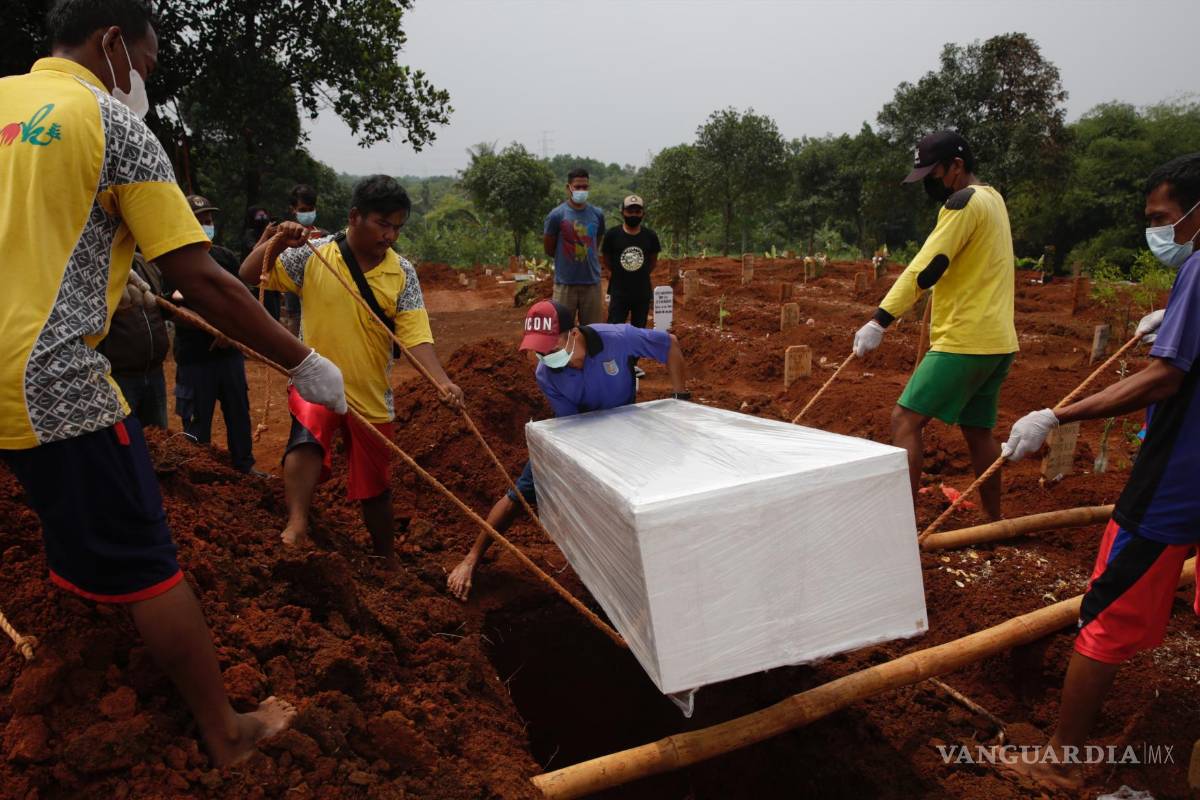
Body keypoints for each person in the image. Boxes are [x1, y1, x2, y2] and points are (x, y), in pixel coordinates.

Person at [0, 0, 345, 767]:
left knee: (61, 517)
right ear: (113, 42)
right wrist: (303, 363)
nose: (145, 84)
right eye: (149, 66)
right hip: (48, 381)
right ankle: (227, 732)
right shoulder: (114, 126)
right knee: (152, 563)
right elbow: (205, 281)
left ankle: (87, 636)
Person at [996, 153, 1200, 792]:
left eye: (1163, 219)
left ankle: (1062, 758)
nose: (1159, 232)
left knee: (1108, 607)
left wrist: (1057, 415)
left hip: (1181, 475)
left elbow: (1167, 376)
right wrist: (1177, 320)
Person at [240, 175, 464, 557]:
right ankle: (296, 524)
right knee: (306, 439)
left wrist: (441, 382)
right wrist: (275, 241)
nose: (390, 235)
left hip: (371, 392)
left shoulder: (403, 273)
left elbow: (414, 337)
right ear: (355, 216)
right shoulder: (312, 253)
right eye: (383, 224)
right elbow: (247, 275)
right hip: (315, 380)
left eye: (397, 227)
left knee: (375, 484)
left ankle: (385, 556)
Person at [446, 299, 691, 601]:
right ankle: (472, 558)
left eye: (551, 346)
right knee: (520, 493)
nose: (545, 355)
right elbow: (573, 428)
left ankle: (658, 566)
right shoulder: (546, 374)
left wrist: (681, 404)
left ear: (573, 333)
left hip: (628, 428)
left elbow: (670, 345)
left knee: (653, 488)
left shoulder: (616, 339)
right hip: (580, 432)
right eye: (539, 350)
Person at [851, 131, 1018, 521]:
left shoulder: (962, 203)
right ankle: (993, 524)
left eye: (934, 173)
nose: (930, 182)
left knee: (905, 420)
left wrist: (880, 319)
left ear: (956, 166)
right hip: (998, 342)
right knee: (978, 431)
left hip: (964, 340)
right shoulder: (994, 199)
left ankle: (901, 527)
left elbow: (927, 266)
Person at [168, 194, 260, 475]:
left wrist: (229, 331)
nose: (207, 225)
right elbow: (170, 307)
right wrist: (214, 326)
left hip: (228, 354)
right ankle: (198, 475)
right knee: (197, 421)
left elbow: (242, 297)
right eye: (200, 220)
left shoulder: (225, 257)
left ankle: (245, 468)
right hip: (195, 358)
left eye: (209, 220)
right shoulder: (170, 260)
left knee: (238, 414)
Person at [97, 252, 169, 429]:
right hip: (120, 378)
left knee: (159, 440)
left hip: (154, 373)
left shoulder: (146, 264)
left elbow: (161, 306)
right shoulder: (97, 267)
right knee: (127, 440)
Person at [601, 194, 662, 378]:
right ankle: (614, 364)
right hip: (619, 290)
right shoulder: (612, 235)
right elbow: (607, 260)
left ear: (643, 213)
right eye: (630, 210)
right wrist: (621, 274)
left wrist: (638, 274)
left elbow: (652, 261)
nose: (633, 214)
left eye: (637, 211)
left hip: (642, 292)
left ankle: (632, 364)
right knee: (614, 328)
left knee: (638, 329)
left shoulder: (650, 236)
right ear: (623, 212)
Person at [544, 167, 606, 325]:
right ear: (569, 188)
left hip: (591, 283)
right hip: (565, 284)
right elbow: (549, 248)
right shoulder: (556, 215)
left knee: (592, 332)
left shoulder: (597, 214)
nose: (581, 190)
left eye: (585, 187)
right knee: (561, 332)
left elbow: (596, 241)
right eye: (577, 187)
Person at [280, 183, 322, 336]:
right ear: (293, 210)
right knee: (294, 316)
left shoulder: (324, 235)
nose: (308, 213)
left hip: (318, 287)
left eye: (310, 209)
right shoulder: (284, 235)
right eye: (303, 210)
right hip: (294, 285)